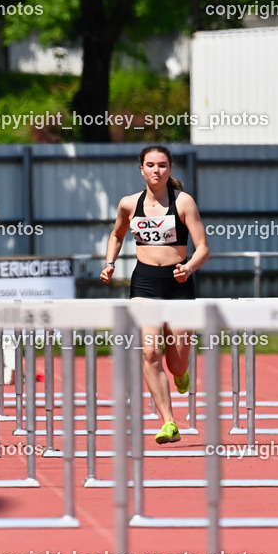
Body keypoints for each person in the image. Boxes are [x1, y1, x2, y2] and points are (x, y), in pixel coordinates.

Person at [100, 145, 209, 444]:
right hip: (145, 283)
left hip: (178, 284)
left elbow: (203, 248)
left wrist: (188, 268)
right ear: (142, 170)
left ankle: (181, 372)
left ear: (170, 169)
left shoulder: (183, 203)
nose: (156, 170)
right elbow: (116, 235)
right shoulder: (128, 204)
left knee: (175, 363)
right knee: (149, 352)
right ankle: (169, 423)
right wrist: (109, 263)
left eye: (162, 165)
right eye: (150, 165)